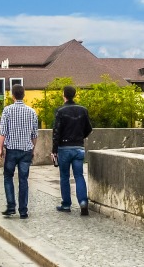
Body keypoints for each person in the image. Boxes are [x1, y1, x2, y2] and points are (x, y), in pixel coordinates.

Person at [52, 86, 93, 216]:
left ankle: (66, 205)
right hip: (79, 148)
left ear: (64, 95)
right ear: (74, 95)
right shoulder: (83, 110)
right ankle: (83, 202)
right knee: (79, 175)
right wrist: (80, 138)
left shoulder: (60, 111)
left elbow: (56, 132)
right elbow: (89, 129)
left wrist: (54, 150)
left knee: (64, 176)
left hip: (64, 148)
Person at [0, 85, 38, 219]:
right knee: (23, 180)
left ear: (13, 96)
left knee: (8, 177)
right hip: (26, 150)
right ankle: (23, 210)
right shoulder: (32, 112)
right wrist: (32, 149)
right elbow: (34, 134)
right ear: (24, 95)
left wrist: (0, 149)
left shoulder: (7, 110)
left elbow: (3, 132)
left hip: (11, 150)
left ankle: (11, 206)